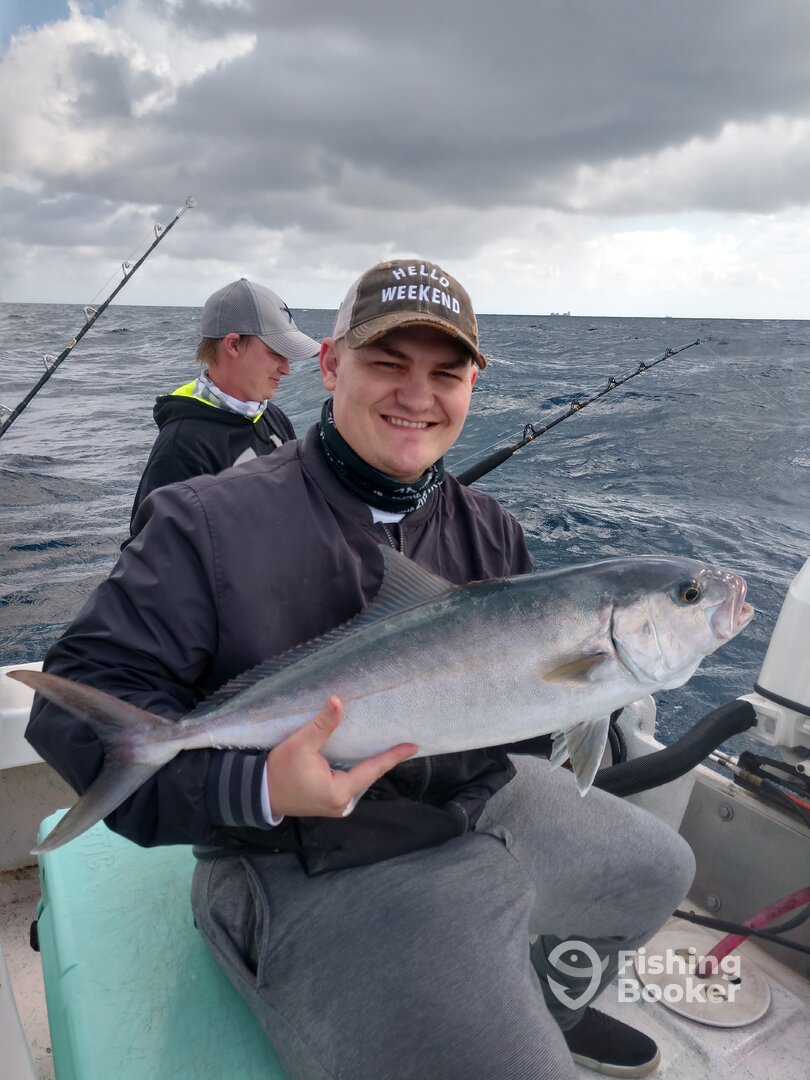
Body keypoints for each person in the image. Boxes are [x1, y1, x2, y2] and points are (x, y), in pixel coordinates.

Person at [27, 258, 694, 1080]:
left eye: (445, 374)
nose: (417, 395)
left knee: (659, 868)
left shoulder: (488, 528)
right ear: (331, 364)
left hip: (471, 798)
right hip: (295, 858)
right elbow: (73, 708)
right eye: (387, 362)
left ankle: (550, 1009)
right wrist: (259, 786)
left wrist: (596, 702)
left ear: (473, 384)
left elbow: (528, 705)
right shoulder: (206, 521)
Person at [129, 277, 320, 526]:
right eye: (276, 353)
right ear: (234, 344)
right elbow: (151, 546)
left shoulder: (274, 417)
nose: (286, 369)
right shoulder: (181, 448)